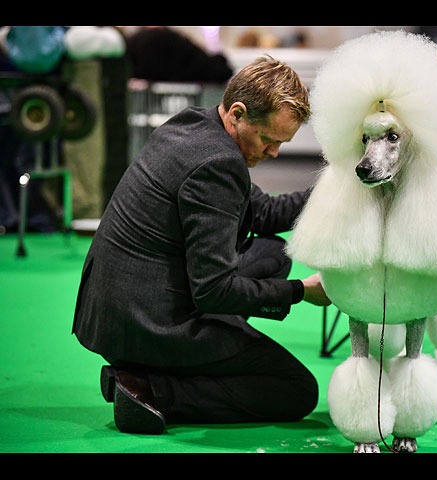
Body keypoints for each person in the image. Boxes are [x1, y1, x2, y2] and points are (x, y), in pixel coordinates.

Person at [72, 55, 331, 435]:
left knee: (270, 254)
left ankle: (175, 365)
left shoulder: (196, 124)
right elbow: (213, 291)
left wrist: (336, 191)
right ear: (238, 114)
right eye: (268, 139)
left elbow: (262, 212)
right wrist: (301, 292)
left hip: (115, 306)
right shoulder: (218, 163)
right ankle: (150, 389)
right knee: (296, 390)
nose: (274, 152)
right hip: (144, 323)